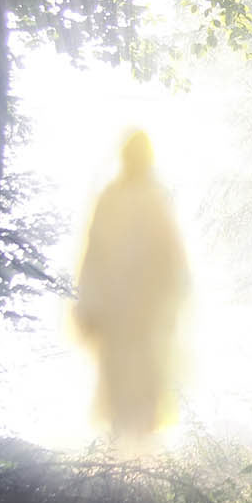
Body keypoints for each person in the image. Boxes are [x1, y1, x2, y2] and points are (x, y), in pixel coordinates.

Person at [73, 129, 189, 451]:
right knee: (118, 388)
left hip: (146, 313)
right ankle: (119, 466)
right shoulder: (111, 198)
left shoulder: (156, 198)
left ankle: (143, 469)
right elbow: (94, 253)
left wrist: (172, 304)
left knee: (147, 388)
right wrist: (89, 305)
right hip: (117, 314)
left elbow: (172, 257)